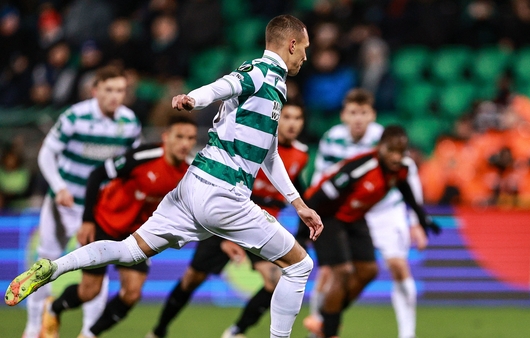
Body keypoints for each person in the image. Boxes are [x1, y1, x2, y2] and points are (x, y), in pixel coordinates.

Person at [5, 14, 323, 338]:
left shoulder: (277, 86)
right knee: (299, 266)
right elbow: (225, 84)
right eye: (305, 48)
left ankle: (55, 267)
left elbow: (268, 154)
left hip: (193, 186)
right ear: (292, 44)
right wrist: (193, 99)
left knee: (129, 250)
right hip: (224, 192)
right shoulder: (261, 71)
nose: (306, 57)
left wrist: (298, 204)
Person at [145, 101, 308, 338]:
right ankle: (159, 331)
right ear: (275, 118)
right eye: (287, 117)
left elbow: (294, 186)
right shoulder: (254, 145)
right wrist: (229, 236)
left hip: (260, 224)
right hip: (226, 216)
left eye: (298, 118)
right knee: (192, 279)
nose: (292, 124)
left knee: (275, 280)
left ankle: (235, 331)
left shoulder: (301, 155)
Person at [39, 115, 197, 338]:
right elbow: (97, 175)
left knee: (132, 294)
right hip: (105, 223)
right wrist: (87, 220)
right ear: (166, 137)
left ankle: (90, 334)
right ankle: (53, 308)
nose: (185, 143)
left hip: (136, 233)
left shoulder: (189, 172)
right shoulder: (144, 156)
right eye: (179, 136)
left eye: (191, 138)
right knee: (89, 292)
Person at [19, 65, 141, 338]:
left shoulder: (130, 123)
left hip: (98, 209)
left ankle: (88, 332)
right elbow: (46, 155)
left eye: (120, 90)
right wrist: (59, 187)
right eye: (109, 90)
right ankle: (33, 328)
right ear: (95, 90)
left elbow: (131, 169)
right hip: (62, 204)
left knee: (96, 269)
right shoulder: (75, 116)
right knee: (44, 265)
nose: (115, 96)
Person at [303, 88, 431, 338]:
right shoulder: (332, 138)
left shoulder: (385, 140)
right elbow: (320, 178)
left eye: (363, 113)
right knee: (331, 271)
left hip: (385, 210)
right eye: (353, 113)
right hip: (348, 212)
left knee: (397, 266)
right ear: (344, 115)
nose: (358, 119)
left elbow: (408, 173)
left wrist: (416, 220)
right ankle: (320, 325)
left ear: (372, 115)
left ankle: (407, 334)